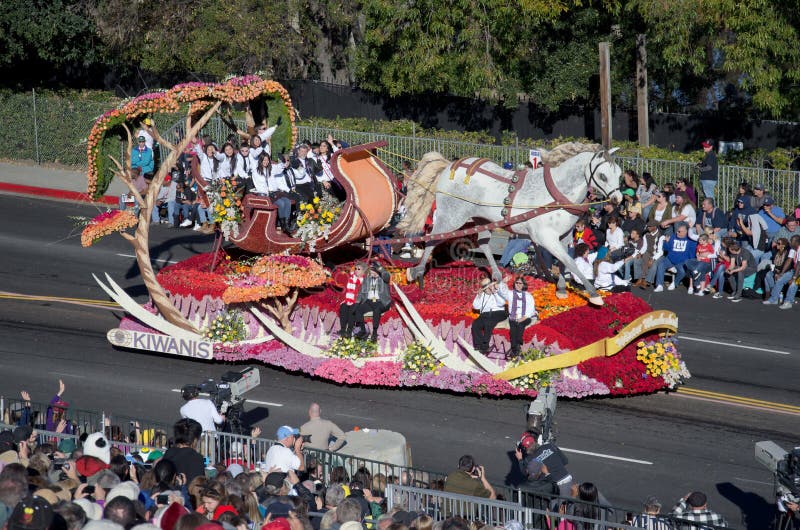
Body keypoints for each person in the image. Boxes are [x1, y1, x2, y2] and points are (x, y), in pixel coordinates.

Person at [514, 431, 571, 496]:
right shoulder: (550, 446)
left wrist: (520, 459)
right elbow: (565, 461)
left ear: (525, 448)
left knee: (557, 504)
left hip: (553, 486)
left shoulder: (529, 460)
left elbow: (525, 473)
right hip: (566, 478)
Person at [353, 262, 391, 343]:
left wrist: (381, 268)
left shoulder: (383, 278)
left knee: (377, 310)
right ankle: (363, 331)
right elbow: (361, 292)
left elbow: (387, 276)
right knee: (358, 310)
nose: (372, 273)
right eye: (371, 271)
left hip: (382, 302)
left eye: (374, 271)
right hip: (369, 301)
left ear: (378, 271)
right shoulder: (367, 278)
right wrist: (357, 303)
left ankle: (374, 333)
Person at [653, 224, 697, 292]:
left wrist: (690, 263)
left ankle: (675, 283)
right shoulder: (673, 236)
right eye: (677, 231)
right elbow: (666, 249)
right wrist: (666, 242)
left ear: (686, 232)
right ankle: (659, 285)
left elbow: (691, 254)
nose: (677, 232)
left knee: (682, 272)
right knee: (661, 264)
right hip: (670, 259)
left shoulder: (691, 241)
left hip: (681, 262)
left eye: (680, 231)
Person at [471, 278, 508, 354]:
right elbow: (476, 307)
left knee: (488, 323)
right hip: (485, 314)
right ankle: (479, 345)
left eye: (489, 284)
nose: (488, 287)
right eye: (485, 286)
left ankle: (485, 346)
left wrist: (495, 293)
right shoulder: (482, 294)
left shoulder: (497, 291)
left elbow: (502, 303)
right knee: (475, 324)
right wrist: (478, 296)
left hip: (498, 313)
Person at [162, 418, 205, 483]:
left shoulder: (169, 453)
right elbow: (197, 486)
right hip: (185, 492)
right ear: (195, 440)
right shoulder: (196, 458)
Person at [763, 235, 800, 309]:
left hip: (798, 272)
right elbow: (789, 260)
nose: (790, 242)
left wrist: (794, 278)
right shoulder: (793, 249)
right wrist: (782, 273)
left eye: (791, 241)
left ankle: (788, 302)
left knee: (794, 283)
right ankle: (774, 299)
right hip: (795, 270)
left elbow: (799, 264)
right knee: (780, 279)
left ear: (796, 242)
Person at [504, 277, 537, 358]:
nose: (518, 285)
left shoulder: (528, 296)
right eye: (516, 283)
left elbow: (530, 309)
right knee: (513, 330)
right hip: (513, 317)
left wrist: (523, 318)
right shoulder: (510, 293)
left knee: (520, 325)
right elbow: (501, 291)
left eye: (520, 283)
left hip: (526, 317)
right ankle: (515, 350)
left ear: (523, 285)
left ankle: (518, 343)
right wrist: (503, 282)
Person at [339, 262, 367, 339]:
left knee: (352, 309)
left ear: (363, 271)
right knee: (343, 307)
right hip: (348, 300)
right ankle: (342, 330)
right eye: (356, 269)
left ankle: (349, 331)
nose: (356, 270)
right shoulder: (350, 278)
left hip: (358, 302)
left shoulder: (364, 281)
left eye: (359, 269)